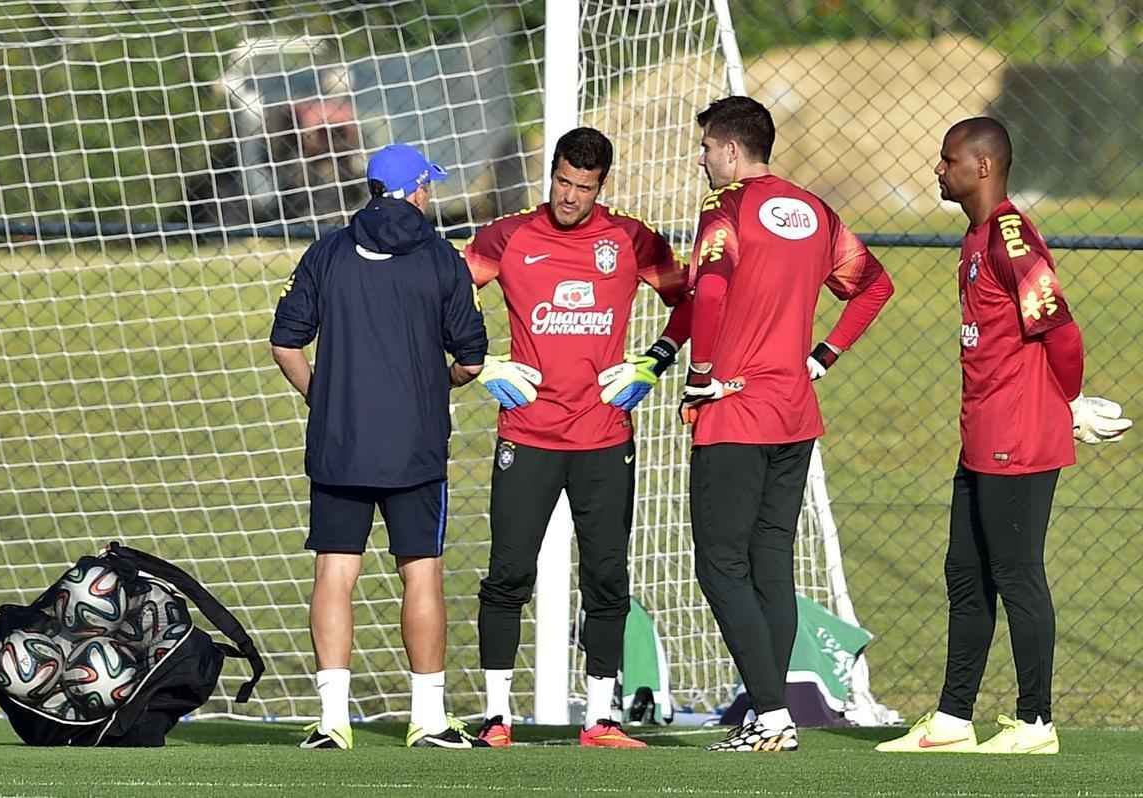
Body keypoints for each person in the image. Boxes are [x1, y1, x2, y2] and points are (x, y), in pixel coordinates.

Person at [876, 117, 1131, 755]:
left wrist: (1071, 401)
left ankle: (1036, 722)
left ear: (983, 166)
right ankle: (952, 718)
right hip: (981, 434)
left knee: (1016, 575)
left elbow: (1061, 330)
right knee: (965, 573)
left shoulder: (1010, 238)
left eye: (948, 159)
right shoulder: (975, 235)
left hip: (1018, 435)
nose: (939, 169)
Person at [462, 126, 693, 748]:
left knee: (607, 577)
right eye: (562, 182)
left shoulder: (633, 239)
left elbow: (693, 301)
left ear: (601, 185)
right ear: (552, 175)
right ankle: (495, 717)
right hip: (528, 434)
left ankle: (601, 719)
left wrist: (655, 361)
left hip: (603, 436)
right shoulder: (508, 236)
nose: (569, 196)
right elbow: (443, 296)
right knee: (508, 573)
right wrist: (482, 362)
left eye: (583, 187)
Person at [679, 96, 894, 753]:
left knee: (720, 566)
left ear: (730, 149)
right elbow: (875, 285)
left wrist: (700, 373)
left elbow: (712, 291)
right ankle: (771, 717)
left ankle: (771, 714)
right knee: (770, 563)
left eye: (706, 148)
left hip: (735, 410)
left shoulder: (725, 207)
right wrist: (824, 355)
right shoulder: (816, 211)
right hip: (795, 413)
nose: (701, 159)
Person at [270, 143, 489, 750]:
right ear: (416, 190)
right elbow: (471, 360)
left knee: (334, 572)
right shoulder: (442, 257)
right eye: (428, 185)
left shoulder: (327, 251)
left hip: (340, 442)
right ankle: (429, 719)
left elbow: (286, 344)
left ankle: (331, 721)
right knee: (421, 574)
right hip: (415, 445)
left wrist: (324, 398)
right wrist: (435, 384)